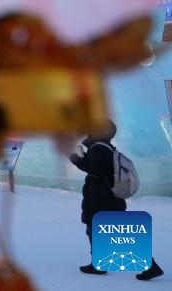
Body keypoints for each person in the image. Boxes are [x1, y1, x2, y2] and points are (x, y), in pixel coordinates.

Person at [70, 120, 163, 280]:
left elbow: (95, 169)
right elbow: (100, 167)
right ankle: (102, 264)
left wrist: (76, 159)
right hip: (109, 197)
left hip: (101, 199)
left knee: (102, 232)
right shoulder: (106, 146)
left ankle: (147, 266)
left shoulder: (98, 147)